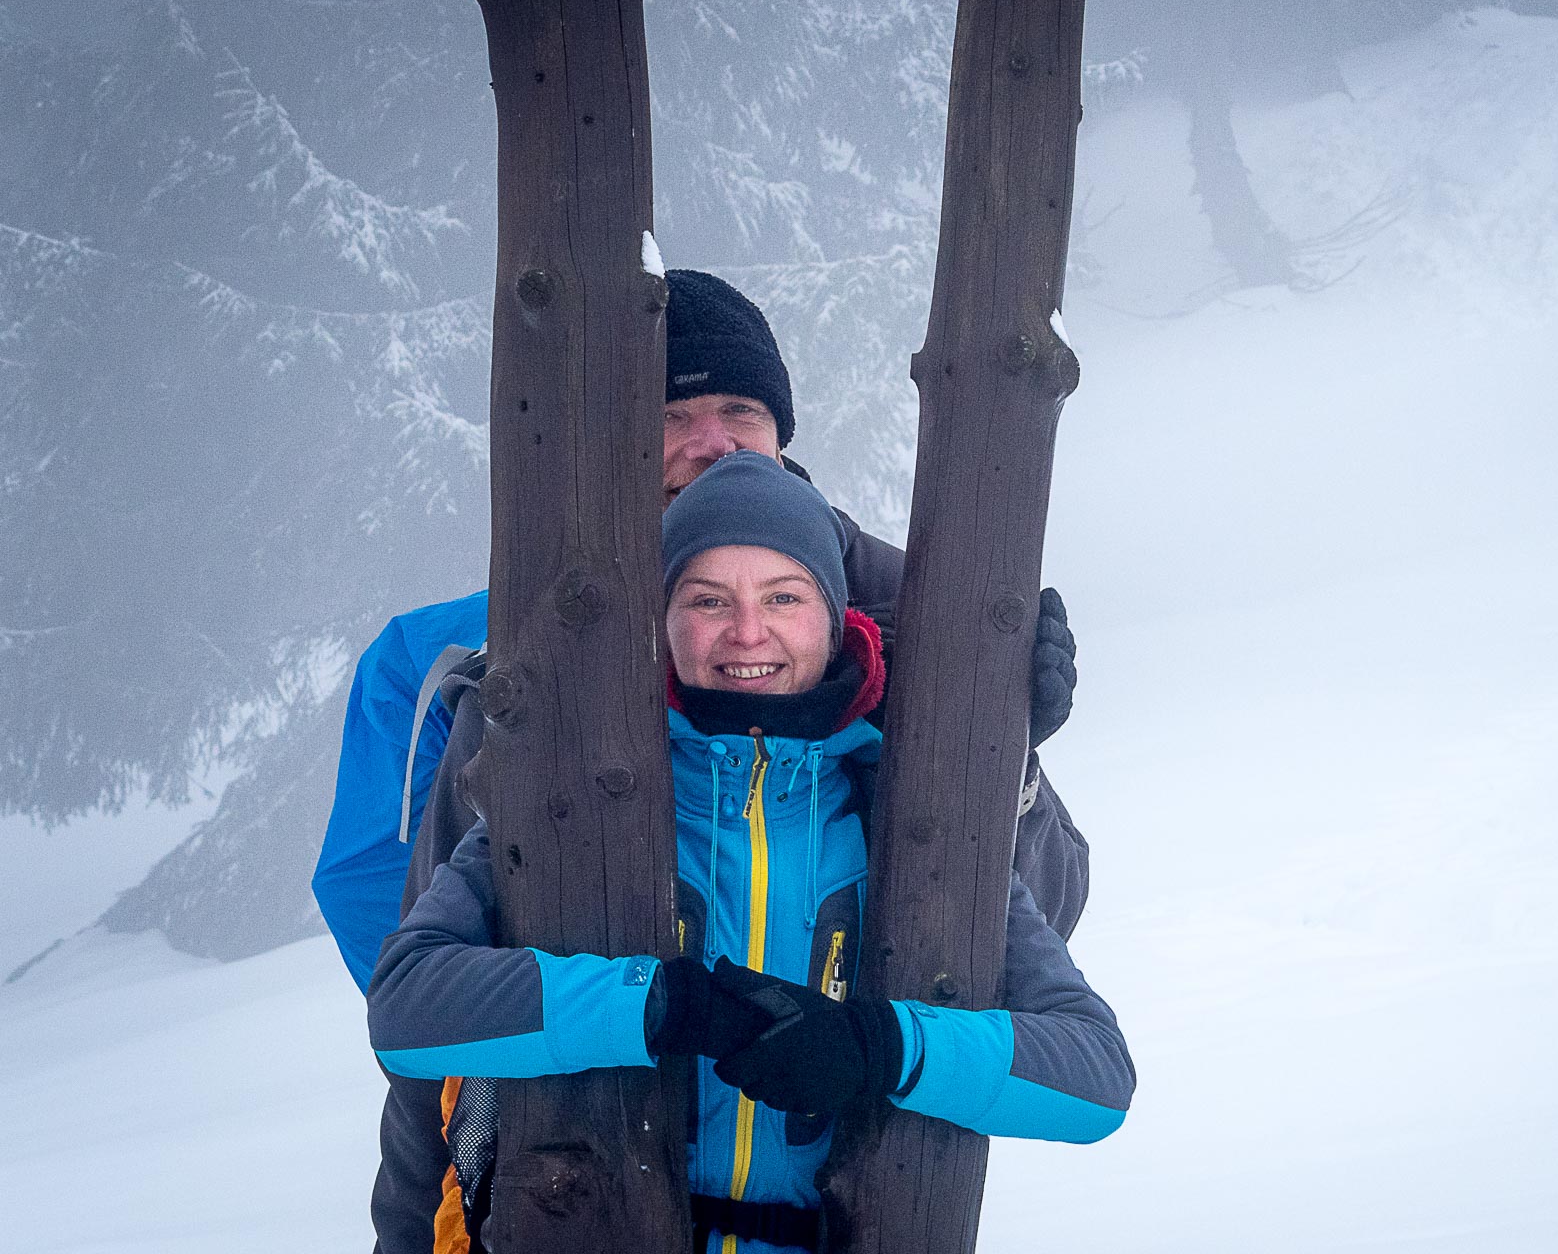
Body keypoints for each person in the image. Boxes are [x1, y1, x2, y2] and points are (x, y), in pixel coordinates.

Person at [324, 271, 1091, 1254]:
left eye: (740, 408)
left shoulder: (922, 620)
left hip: (859, 1190)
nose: (713, 439)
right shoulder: (509, 649)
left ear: (781, 428)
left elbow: (1040, 928)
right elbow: (409, 967)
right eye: (669, 414)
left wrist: (1004, 753)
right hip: (541, 1175)